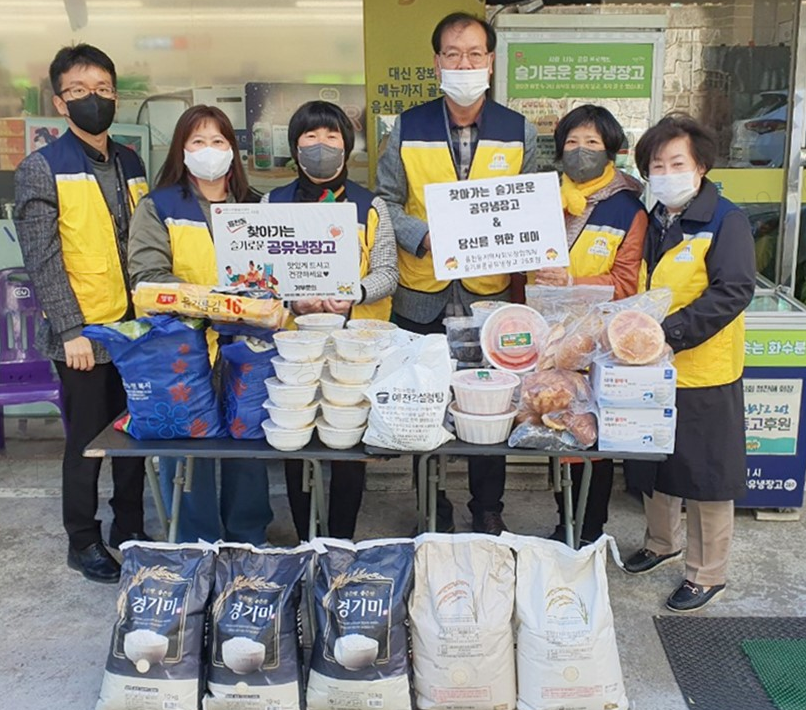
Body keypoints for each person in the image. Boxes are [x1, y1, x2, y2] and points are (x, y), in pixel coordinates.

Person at [376, 12, 537, 535]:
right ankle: (431, 500)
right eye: (453, 54)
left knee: (488, 405)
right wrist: (421, 234)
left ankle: (488, 507)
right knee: (424, 404)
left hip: (487, 300)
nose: (463, 63)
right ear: (437, 62)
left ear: (490, 60)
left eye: (474, 54)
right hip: (421, 292)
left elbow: (530, 208)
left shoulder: (518, 131)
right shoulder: (408, 125)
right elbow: (384, 200)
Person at [14, 44, 149, 583]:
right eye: (78, 90)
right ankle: (83, 537)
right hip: (85, 334)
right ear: (59, 102)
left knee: (136, 433)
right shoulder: (40, 168)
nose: (92, 98)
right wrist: (70, 330)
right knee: (90, 440)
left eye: (102, 88)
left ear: (115, 95)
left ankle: (131, 526)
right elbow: (42, 259)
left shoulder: (132, 161)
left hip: (135, 330)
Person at [622, 114, 755, 612]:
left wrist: (671, 333)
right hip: (649, 367)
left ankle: (707, 573)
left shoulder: (726, 220)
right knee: (657, 461)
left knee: (705, 475)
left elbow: (734, 290)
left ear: (700, 166)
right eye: (657, 164)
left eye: (677, 162)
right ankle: (661, 543)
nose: (666, 171)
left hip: (704, 371)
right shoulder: (653, 219)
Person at [127, 104, 272, 544]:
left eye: (218, 141)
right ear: (181, 151)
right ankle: (197, 542)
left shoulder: (259, 205)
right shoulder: (159, 206)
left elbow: (278, 269)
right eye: (198, 142)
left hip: (249, 345)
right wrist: (215, 303)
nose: (209, 151)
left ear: (233, 150)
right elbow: (147, 278)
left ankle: (249, 537)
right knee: (189, 451)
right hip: (182, 348)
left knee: (247, 442)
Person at [264, 100, 398, 540]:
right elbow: (258, 273)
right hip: (294, 343)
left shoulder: (370, 205)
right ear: (294, 147)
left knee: (347, 440)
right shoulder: (271, 203)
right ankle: (305, 537)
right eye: (310, 137)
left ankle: (340, 538)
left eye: (331, 137)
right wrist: (291, 301)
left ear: (348, 146)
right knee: (296, 437)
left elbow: (387, 273)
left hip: (352, 345)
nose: (321, 146)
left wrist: (353, 293)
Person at [533, 104, 648, 545]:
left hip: (595, 342)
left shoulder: (627, 209)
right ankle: (564, 525)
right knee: (555, 430)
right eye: (573, 142)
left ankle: (590, 531)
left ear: (612, 151)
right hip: (545, 339)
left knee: (589, 441)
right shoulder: (540, 199)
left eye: (593, 143)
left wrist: (571, 281)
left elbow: (626, 282)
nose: (581, 151)